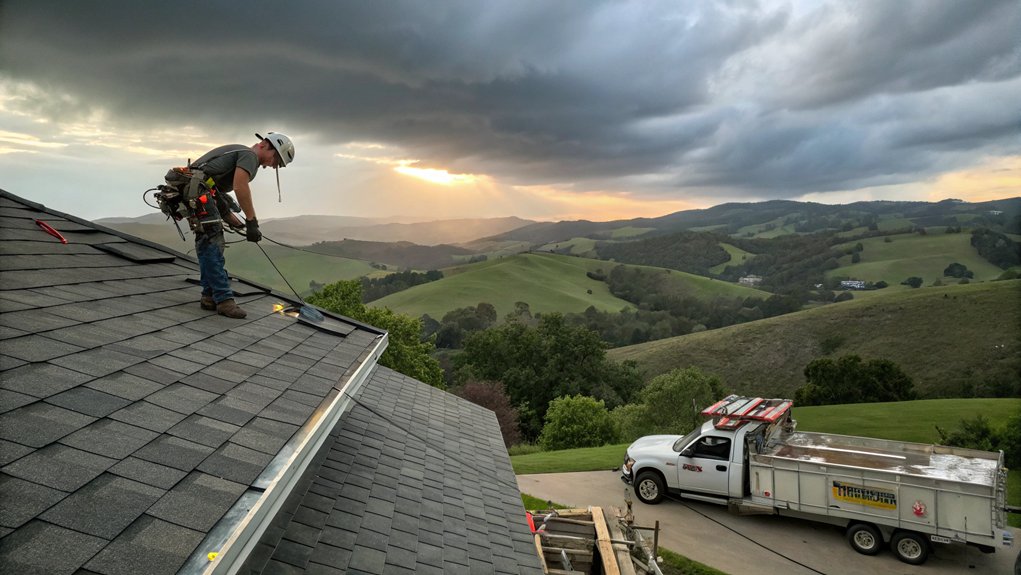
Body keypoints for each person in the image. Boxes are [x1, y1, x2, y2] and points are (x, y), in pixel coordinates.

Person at [186, 132, 295, 318]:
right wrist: (252, 221)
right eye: (275, 160)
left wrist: (231, 217)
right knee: (212, 244)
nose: (271, 166)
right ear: (265, 146)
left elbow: (214, 189)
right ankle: (224, 300)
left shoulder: (240, 153)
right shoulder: (249, 156)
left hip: (195, 191)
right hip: (198, 191)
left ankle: (209, 296)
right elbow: (240, 186)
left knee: (208, 244)